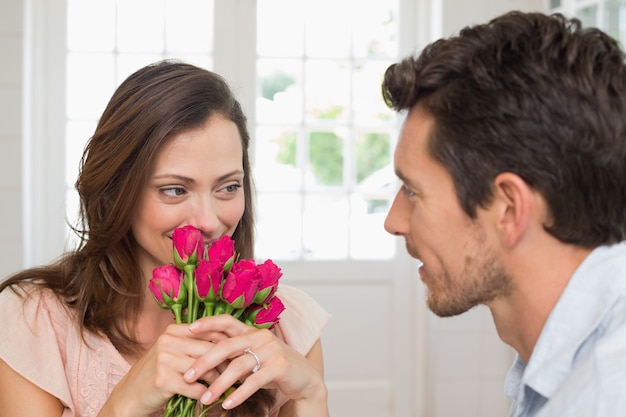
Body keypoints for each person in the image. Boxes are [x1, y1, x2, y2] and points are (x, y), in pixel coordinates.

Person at [0, 60, 331, 417]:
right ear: (117, 191)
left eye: (228, 187)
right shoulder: (34, 322)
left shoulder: (285, 324)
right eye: (175, 189)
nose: (208, 221)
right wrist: (125, 403)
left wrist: (313, 396)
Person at [382, 10, 626, 417]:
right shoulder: (556, 364)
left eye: (412, 191)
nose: (393, 222)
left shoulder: (606, 392)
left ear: (509, 208)